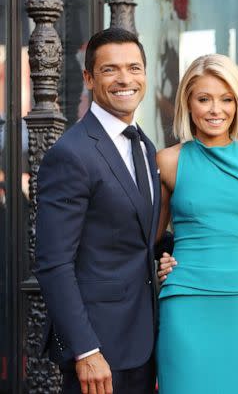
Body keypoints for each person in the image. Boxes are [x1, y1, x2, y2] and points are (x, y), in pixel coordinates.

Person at [35, 28, 160, 394]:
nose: (125, 79)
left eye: (134, 68)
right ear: (89, 78)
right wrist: (86, 349)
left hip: (143, 343)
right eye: (110, 70)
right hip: (97, 353)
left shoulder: (145, 145)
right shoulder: (71, 153)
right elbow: (53, 262)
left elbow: (136, 235)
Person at [154, 53, 238, 393]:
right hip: (186, 300)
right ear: (188, 103)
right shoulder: (168, 161)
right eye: (204, 99)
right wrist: (162, 260)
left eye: (226, 99)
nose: (215, 110)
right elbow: (150, 236)